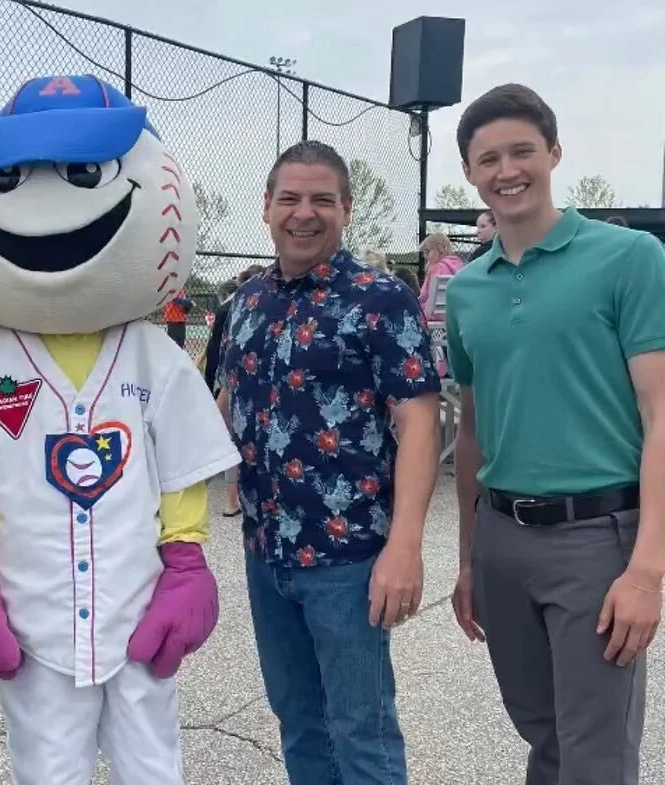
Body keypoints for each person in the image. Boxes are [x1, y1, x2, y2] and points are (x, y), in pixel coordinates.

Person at [0, 74, 241, 785]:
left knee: (151, 763)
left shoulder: (151, 354)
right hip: (31, 612)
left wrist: (188, 562)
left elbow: (181, 473)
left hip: (138, 601)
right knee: (46, 768)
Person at [446, 83, 665, 785]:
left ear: (554, 152)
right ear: (471, 173)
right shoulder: (468, 289)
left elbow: (661, 414)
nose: (506, 171)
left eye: (521, 151)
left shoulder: (629, 259)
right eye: (489, 159)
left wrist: (647, 569)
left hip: (597, 537)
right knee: (545, 738)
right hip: (503, 537)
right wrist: (468, 556)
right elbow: (473, 431)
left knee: (595, 756)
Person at [217, 140, 442, 784]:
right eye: (289, 198)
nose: (304, 213)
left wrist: (406, 545)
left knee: (361, 731)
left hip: (350, 561)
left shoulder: (380, 299)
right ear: (266, 208)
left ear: (346, 209)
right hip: (267, 554)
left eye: (322, 199)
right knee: (299, 723)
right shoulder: (247, 305)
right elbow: (227, 407)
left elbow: (419, 420)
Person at [204, 264, 265, 517]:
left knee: (226, 437)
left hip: (223, 374)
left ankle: (229, 498)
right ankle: (231, 499)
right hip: (237, 378)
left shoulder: (232, 306)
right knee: (233, 437)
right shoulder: (247, 306)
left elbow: (216, 346)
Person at [417, 232, 464, 321]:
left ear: (438, 249)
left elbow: (425, 296)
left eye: (427, 251)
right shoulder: (459, 266)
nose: (425, 256)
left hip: (433, 314)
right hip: (454, 314)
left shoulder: (437, 268)